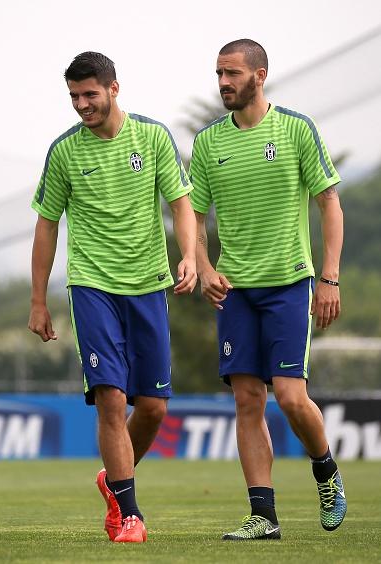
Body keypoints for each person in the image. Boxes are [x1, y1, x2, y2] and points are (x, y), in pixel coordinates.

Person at [28, 51, 197, 543]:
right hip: (92, 286)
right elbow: (46, 225)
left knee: (153, 408)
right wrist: (38, 299)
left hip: (148, 285)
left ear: (114, 88)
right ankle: (130, 515)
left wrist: (188, 255)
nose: (82, 104)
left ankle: (113, 481)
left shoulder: (153, 136)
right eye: (74, 97)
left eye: (90, 94)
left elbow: (181, 204)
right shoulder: (63, 152)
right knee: (110, 398)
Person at [189, 38, 346, 540]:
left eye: (232, 73)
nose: (222, 83)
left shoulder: (297, 129)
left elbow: (330, 205)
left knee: (291, 397)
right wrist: (204, 265)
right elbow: (191, 212)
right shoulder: (210, 143)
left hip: (289, 286)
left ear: (259, 75)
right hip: (234, 290)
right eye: (218, 74)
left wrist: (329, 277)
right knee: (247, 400)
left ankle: (326, 472)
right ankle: (263, 516)